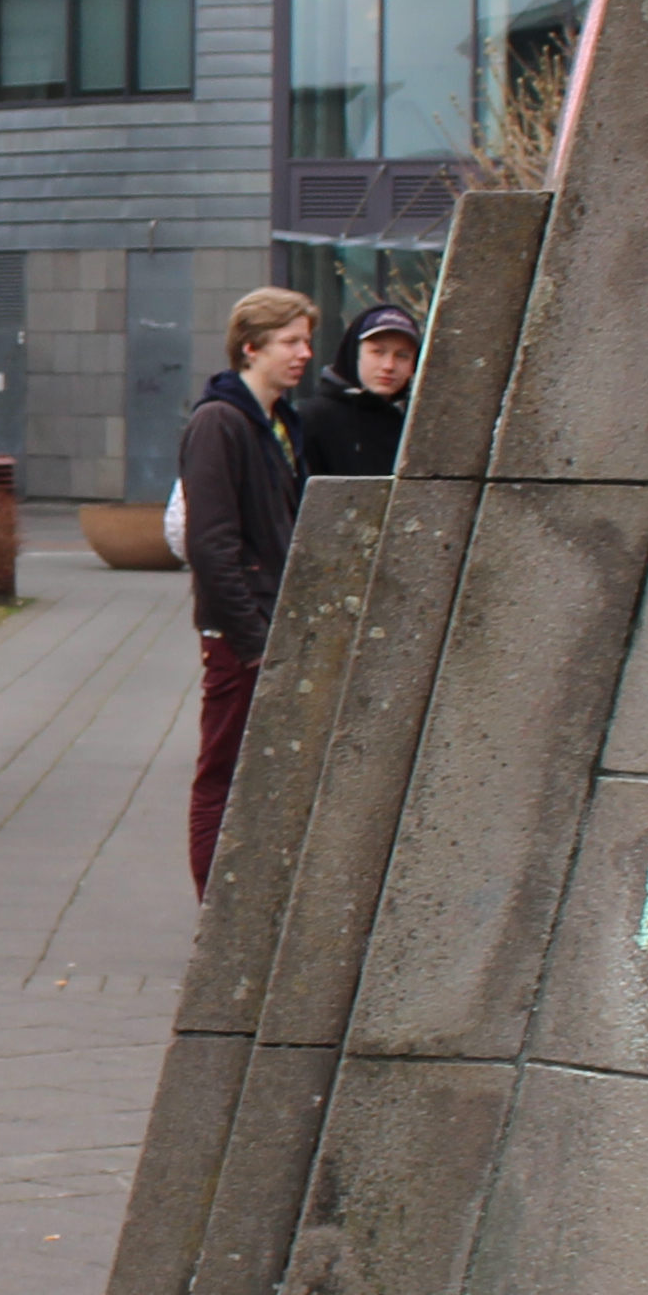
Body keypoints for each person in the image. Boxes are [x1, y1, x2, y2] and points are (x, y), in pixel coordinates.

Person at [181, 286, 318, 894]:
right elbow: (211, 543)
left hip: (275, 624)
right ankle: (215, 906)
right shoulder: (219, 422)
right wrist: (252, 638)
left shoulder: (281, 423)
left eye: (307, 340)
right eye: (290, 341)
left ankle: (250, 898)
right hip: (242, 635)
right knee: (222, 773)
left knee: (266, 774)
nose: (304, 353)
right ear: (250, 346)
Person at [292, 302, 422, 482]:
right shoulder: (313, 418)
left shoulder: (418, 422)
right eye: (378, 352)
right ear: (355, 354)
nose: (389, 366)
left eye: (402, 356)